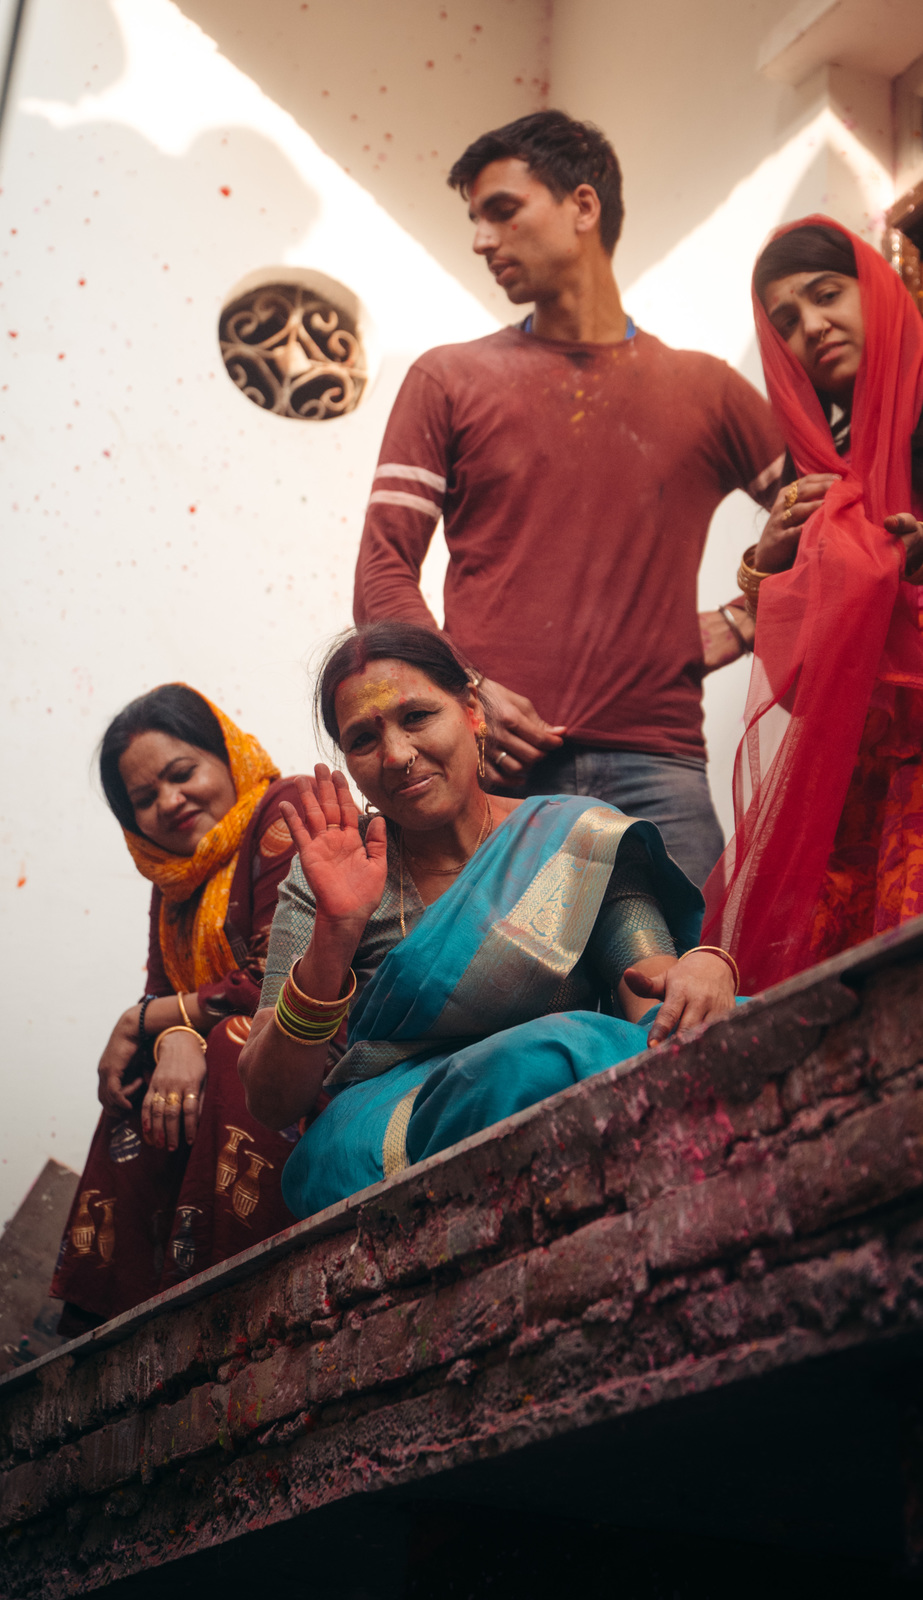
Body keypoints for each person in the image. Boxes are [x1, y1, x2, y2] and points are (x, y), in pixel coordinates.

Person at [352, 109, 787, 889]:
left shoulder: (710, 391)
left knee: (699, 1000)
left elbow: (832, 525)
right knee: (502, 1012)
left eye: (502, 211)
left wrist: (744, 614)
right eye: (474, 221)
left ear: (582, 207)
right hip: (495, 776)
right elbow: (382, 577)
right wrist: (466, 689)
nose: (482, 240)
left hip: (660, 767)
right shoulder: (446, 378)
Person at [238, 622, 737, 1219]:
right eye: (364, 740)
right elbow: (273, 1102)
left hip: (556, 1072)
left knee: (570, 1055)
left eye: (417, 717)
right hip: (391, 1123)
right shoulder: (325, 878)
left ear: (472, 710)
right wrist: (335, 934)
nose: (397, 755)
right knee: (525, 1065)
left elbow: (651, 993)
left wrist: (704, 969)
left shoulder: (573, 836)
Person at [702, 217, 923, 991]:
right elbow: (799, 676)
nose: (811, 329)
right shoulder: (823, 464)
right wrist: (771, 566)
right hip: (867, 779)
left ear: (877, 288)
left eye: (826, 296)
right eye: (785, 322)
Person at [52, 685, 302, 1332]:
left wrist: (147, 1022)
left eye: (181, 773)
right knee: (139, 1076)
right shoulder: (173, 884)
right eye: (143, 799)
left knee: (233, 1042)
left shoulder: (286, 809)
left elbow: (282, 980)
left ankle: (222, 1296)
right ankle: (94, 1315)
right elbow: (166, 1002)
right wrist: (167, 1036)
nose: (168, 802)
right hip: (229, 1051)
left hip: (323, 1044)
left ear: (226, 754)